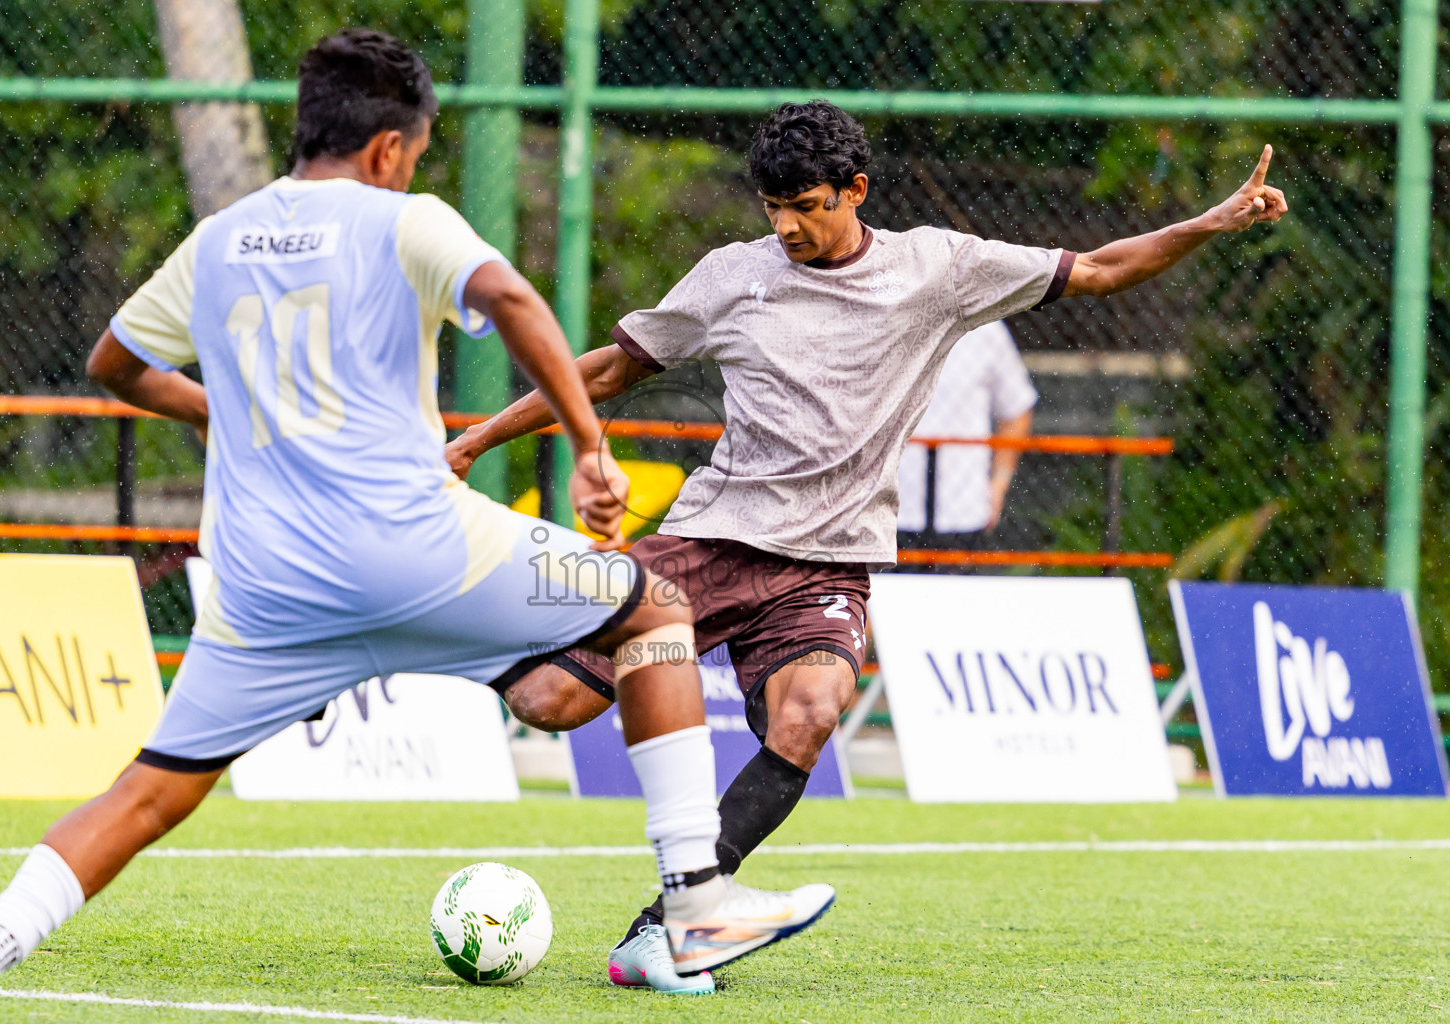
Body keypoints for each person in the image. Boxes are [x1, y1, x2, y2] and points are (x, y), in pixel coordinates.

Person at [0, 31, 833, 1024]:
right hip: (419, 552)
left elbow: (115, 363)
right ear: (391, 147)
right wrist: (585, 444)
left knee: (146, 795)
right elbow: (511, 298)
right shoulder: (406, 220)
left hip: (265, 591)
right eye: (418, 154)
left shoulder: (219, 239)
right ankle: (692, 905)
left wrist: (220, 407)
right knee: (653, 607)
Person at [446, 100, 1288, 993]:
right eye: (773, 206)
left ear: (854, 190)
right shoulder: (733, 276)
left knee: (809, 715)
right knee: (548, 703)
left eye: (805, 205)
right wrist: (475, 440)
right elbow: (612, 367)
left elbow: (1104, 269)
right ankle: (420, 621)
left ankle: (667, 929)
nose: (787, 226)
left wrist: (1211, 221)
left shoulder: (939, 269)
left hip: (830, 564)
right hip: (713, 543)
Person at [895, 318, 1037, 553]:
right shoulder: (886, 320)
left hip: (962, 512)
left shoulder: (986, 328)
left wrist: (998, 485)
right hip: (887, 513)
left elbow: (1017, 409)